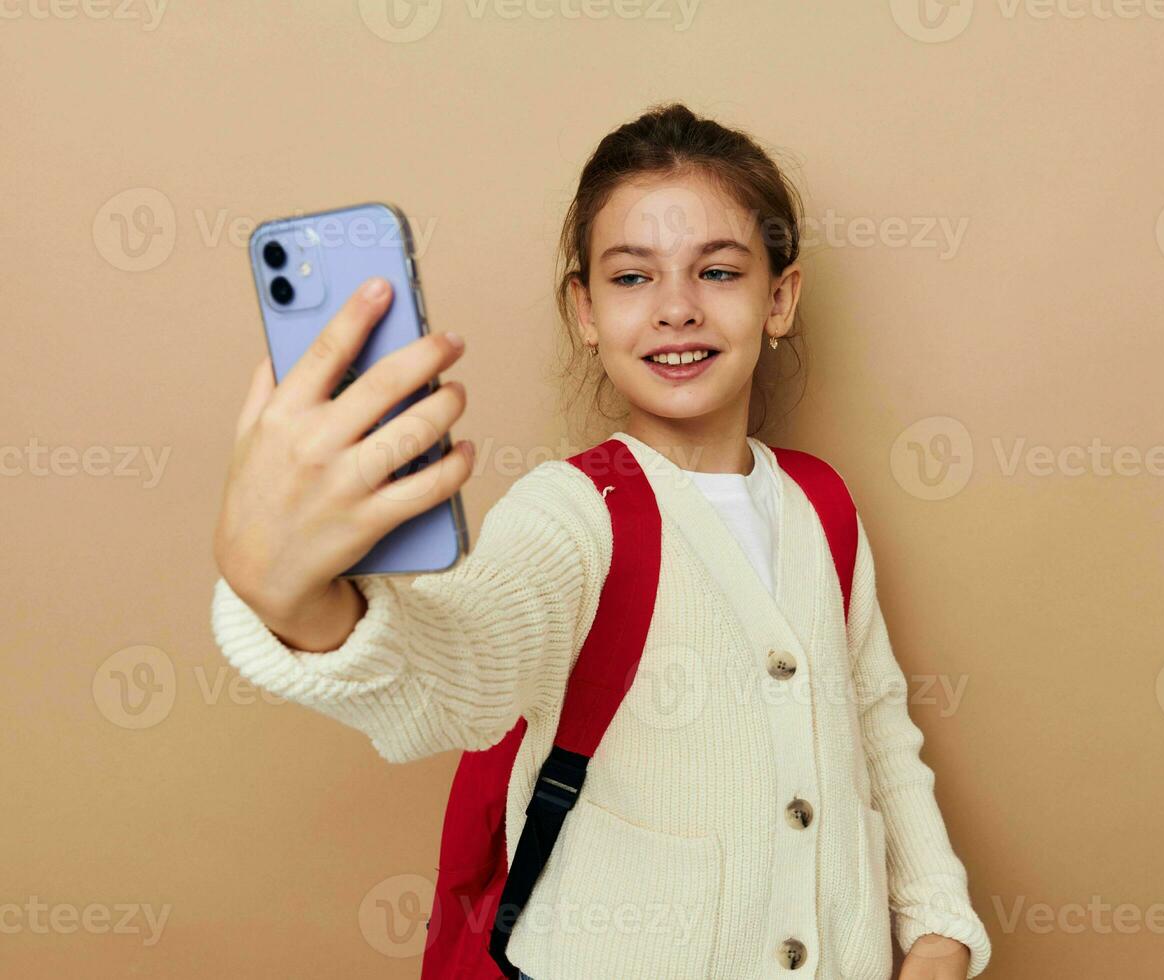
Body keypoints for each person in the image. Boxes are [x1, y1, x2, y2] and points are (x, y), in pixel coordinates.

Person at [210, 101, 992, 979]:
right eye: (631, 279)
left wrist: (938, 925)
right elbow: (457, 668)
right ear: (583, 310)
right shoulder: (573, 513)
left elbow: (874, 723)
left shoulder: (821, 504)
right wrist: (296, 602)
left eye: (720, 272)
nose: (676, 309)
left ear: (780, 298)